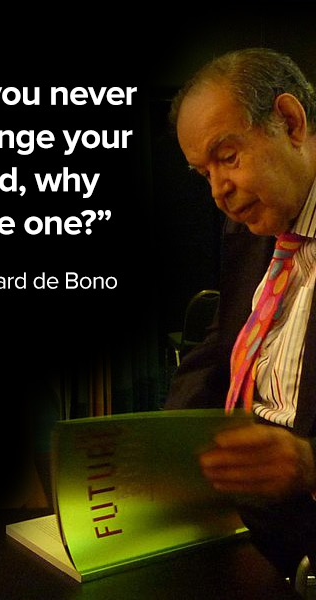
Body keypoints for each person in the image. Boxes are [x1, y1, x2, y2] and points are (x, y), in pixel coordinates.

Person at [165, 48, 316, 579]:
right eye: (202, 173)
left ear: (291, 123)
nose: (218, 191)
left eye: (227, 157)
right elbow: (224, 339)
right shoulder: (251, 225)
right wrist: (159, 445)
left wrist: (310, 465)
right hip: (237, 512)